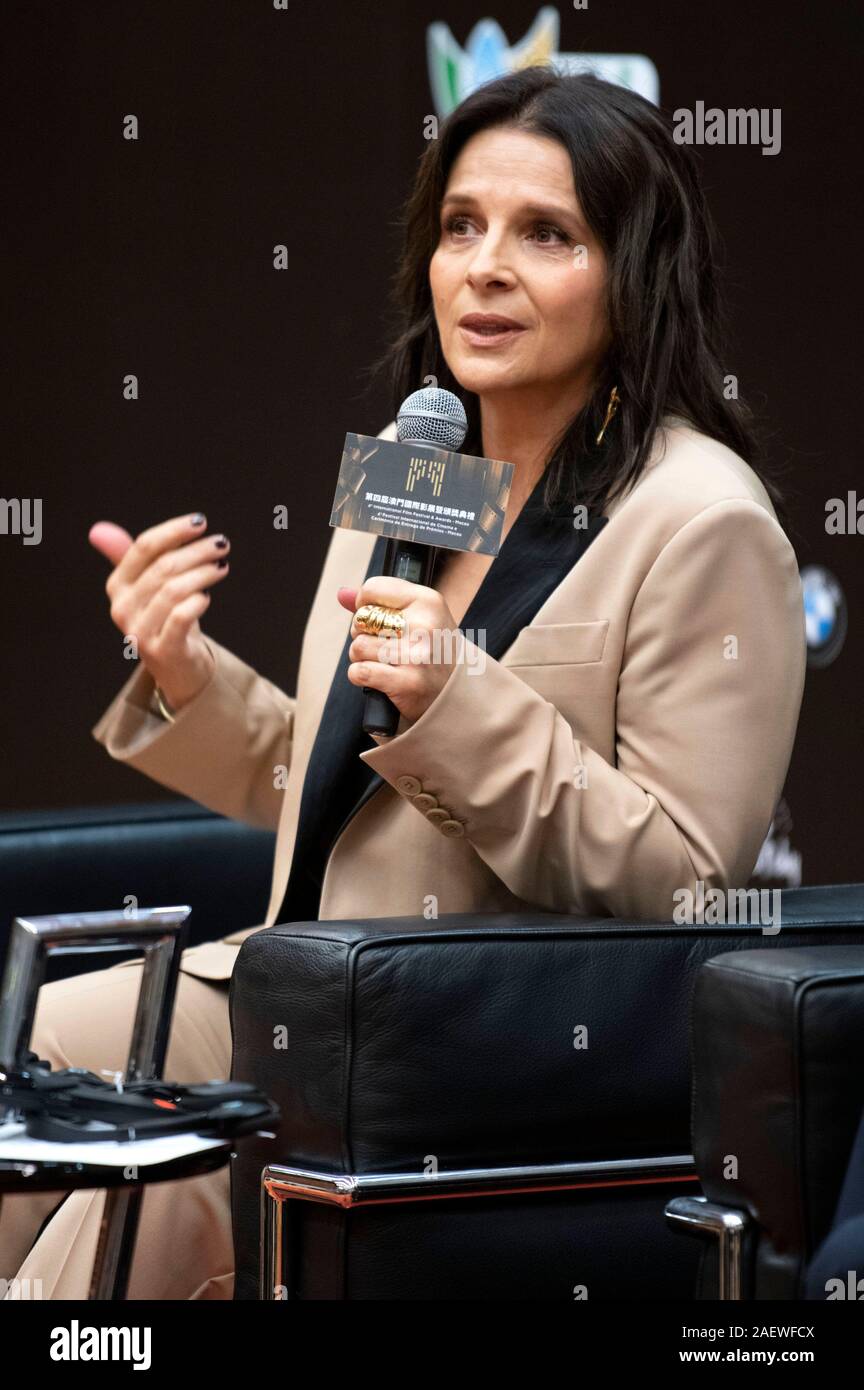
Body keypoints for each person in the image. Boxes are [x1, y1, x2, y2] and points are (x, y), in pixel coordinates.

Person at [1, 66, 806, 1299]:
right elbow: (339, 780)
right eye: (460, 226)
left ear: (637, 270)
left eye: (547, 234)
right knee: (17, 1065)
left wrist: (458, 699)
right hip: (289, 987)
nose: (483, 267)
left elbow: (688, 884)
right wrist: (183, 672)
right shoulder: (421, 464)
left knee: (152, 1171)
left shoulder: (702, 518)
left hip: (475, 1036)